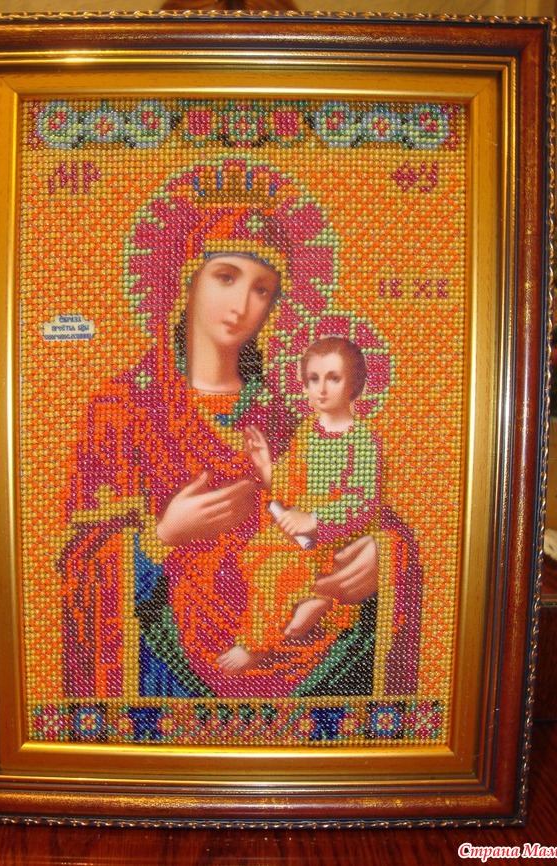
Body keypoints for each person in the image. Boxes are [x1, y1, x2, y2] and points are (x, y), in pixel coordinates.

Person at [60, 158, 421, 701]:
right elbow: (75, 560)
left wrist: (382, 557)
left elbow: (350, 498)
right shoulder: (123, 411)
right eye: (225, 277)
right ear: (186, 278)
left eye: (262, 289)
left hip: (302, 635)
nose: (242, 305)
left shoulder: (286, 413)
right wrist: (160, 538)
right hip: (170, 659)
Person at [217, 337, 381, 675]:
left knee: (273, 572)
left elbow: (363, 504)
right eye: (313, 379)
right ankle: (316, 600)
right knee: (252, 557)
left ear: (354, 384)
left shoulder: (362, 441)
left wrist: (315, 519)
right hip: (296, 532)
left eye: (333, 378)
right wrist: (266, 467)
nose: (321, 389)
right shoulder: (308, 431)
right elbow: (290, 484)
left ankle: (256, 645)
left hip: (332, 540)